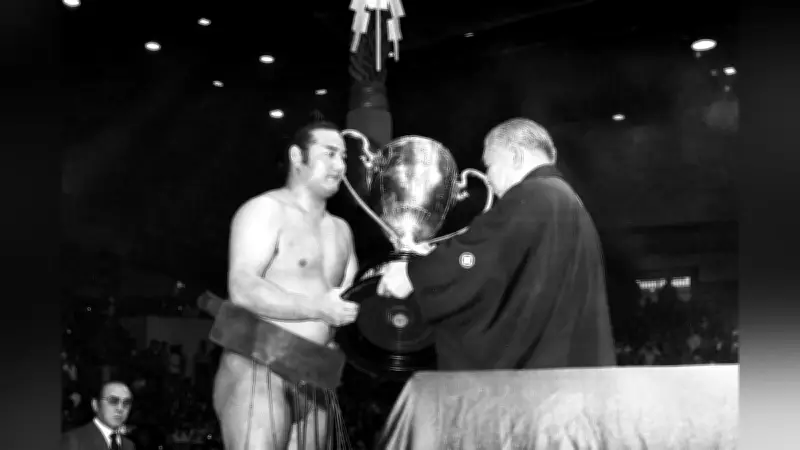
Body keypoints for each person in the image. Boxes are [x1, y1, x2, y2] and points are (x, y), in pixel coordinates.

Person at [377, 117, 616, 370]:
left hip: (542, 375)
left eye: (489, 165)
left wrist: (416, 274)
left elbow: (477, 259)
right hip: (566, 366)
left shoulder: (533, 195)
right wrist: (435, 257)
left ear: (515, 156)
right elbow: (506, 265)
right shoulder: (565, 198)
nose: (488, 179)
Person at [213, 121, 360, 450]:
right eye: (329, 154)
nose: (340, 166)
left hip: (316, 374)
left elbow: (350, 303)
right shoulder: (265, 210)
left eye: (344, 157)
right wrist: (315, 308)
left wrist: (404, 271)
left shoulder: (342, 231)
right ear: (297, 156)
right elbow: (242, 286)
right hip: (259, 363)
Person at [61, 380, 136, 450]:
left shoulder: (128, 445)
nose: (120, 408)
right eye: (113, 401)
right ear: (95, 405)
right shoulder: (73, 440)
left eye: (126, 402)